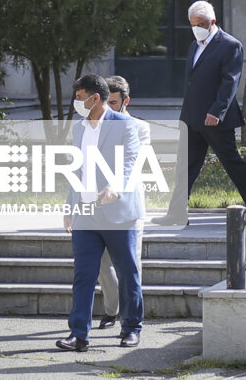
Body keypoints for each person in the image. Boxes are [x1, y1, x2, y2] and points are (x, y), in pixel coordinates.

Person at [157, 1, 246, 224]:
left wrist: (217, 111)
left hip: (215, 119)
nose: (197, 28)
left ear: (212, 22)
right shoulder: (194, 45)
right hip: (192, 117)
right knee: (185, 167)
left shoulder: (230, 45)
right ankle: (176, 214)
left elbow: (230, 82)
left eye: (201, 24)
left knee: (232, 163)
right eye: (193, 24)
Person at [56, 74, 144, 352]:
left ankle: (131, 328)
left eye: (81, 97)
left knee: (128, 273)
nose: (77, 102)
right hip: (85, 214)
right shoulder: (80, 127)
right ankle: (78, 334)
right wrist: (70, 207)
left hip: (118, 213)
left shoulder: (125, 125)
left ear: (96, 98)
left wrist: (115, 186)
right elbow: (77, 168)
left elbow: (130, 159)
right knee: (83, 275)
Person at [95, 76, 150, 331]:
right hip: (96, 203)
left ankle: (131, 321)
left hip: (127, 204)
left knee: (129, 267)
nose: (108, 107)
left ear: (125, 101)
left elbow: (133, 163)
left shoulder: (139, 127)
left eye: (113, 103)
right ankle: (111, 310)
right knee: (102, 267)